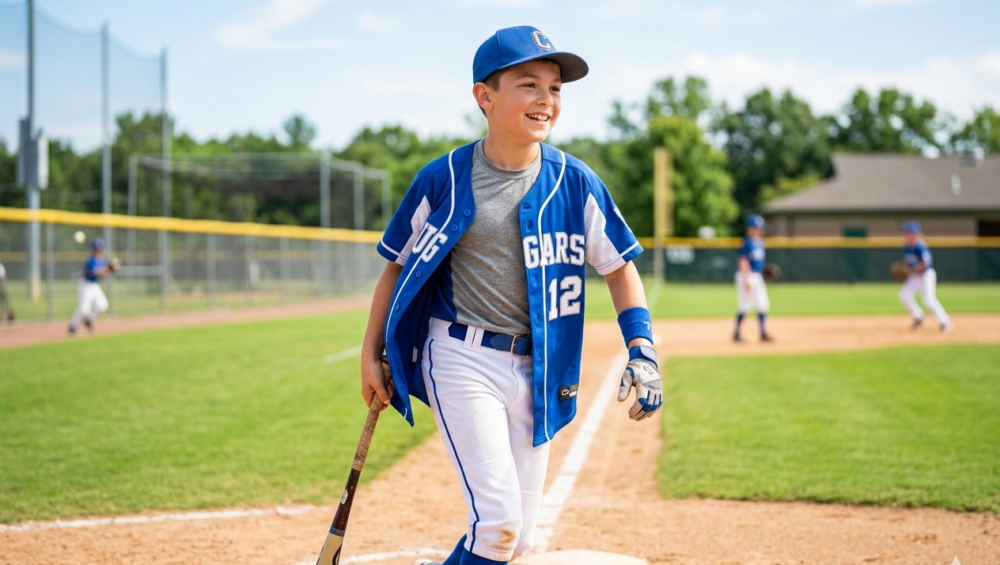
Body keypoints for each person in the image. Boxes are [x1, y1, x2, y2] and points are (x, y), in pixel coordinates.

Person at [359, 26, 662, 565]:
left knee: (518, 540)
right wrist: (370, 354)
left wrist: (643, 349)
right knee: (497, 525)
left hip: (540, 370)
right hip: (459, 357)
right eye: (529, 84)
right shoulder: (444, 177)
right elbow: (395, 268)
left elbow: (619, 268)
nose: (546, 99)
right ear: (485, 96)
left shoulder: (576, 181)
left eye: (556, 88)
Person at [899, 221, 952, 333]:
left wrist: (911, 269)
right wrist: (905, 268)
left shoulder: (920, 246)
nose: (908, 234)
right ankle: (918, 316)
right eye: (907, 232)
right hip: (914, 276)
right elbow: (910, 262)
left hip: (926, 275)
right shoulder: (907, 246)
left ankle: (944, 321)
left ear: (916, 233)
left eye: (910, 232)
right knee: (904, 296)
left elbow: (926, 264)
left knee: (928, 299)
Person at [733, 214, 773, 342]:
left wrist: (765, 270)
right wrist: (746, 278)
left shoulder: (760, 243)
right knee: (745, 304)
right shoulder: (747, 242)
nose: (758, 230)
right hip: (747, 275)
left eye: (760, 228)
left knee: (762, 303)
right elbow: (743, 260)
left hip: (757, 276)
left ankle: (763, 333)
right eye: (755, 228)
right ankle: (737, 333)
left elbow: (757, 262)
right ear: (749, 228)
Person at [68, 238, 110, 334]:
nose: (97, 250)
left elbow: (103, 274)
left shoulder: (101, 260)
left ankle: (88, 320)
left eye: (99, 248)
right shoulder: (90, 260)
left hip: (94, 285)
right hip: (85, 285)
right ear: (93, 249)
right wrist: (109, 268)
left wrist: (110, 270)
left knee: (102, 305)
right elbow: (97, 272)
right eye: (96, 248)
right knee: (84, 309)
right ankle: (73, 326)